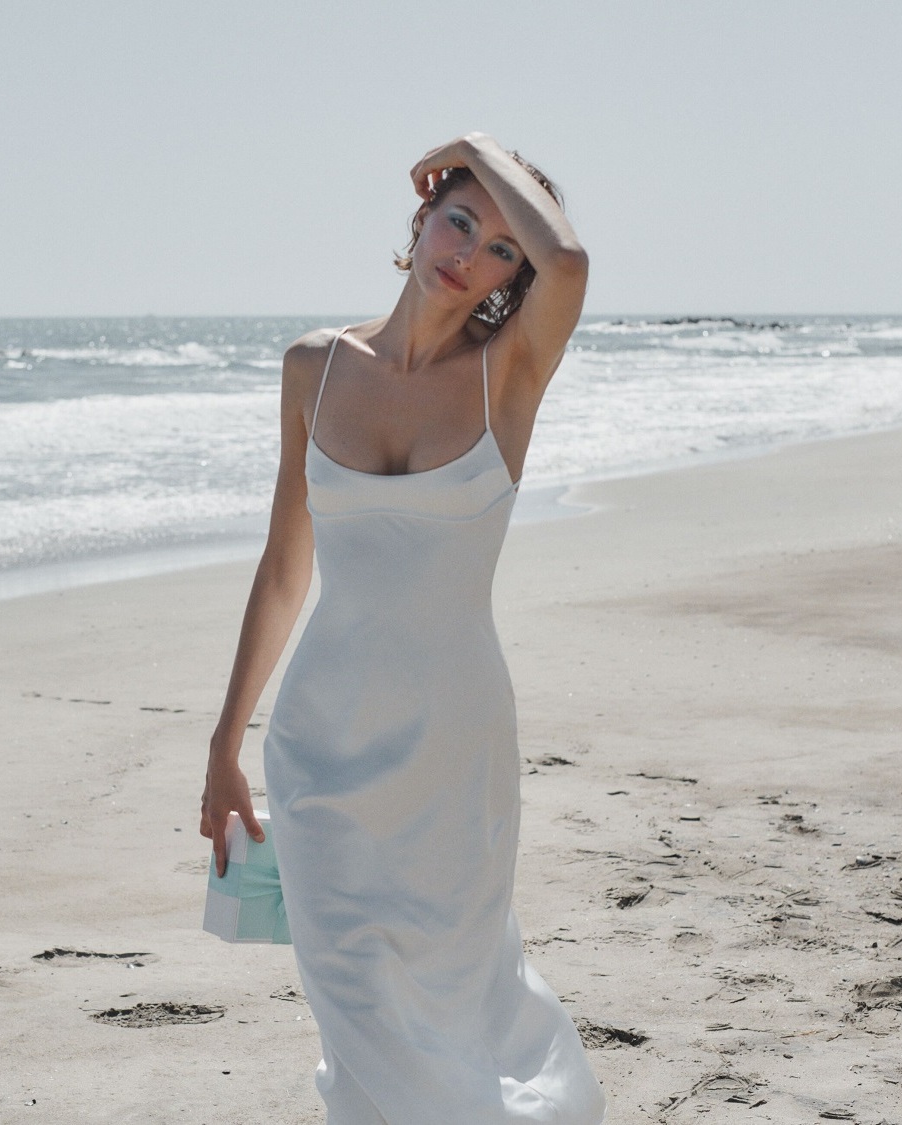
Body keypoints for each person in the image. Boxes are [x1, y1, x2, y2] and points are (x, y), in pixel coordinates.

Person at [201, 132, 605, 1123]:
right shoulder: (314, 368)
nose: (468, 249)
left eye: (500, 246)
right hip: (318, 750)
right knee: (357, 1011)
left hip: (454, 755)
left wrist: (472, 144)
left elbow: (575, 262)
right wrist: (226, 742)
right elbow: (286, 566)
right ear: (422, 216)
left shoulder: (506, 376)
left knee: (461, 996)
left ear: (515, 276)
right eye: (458, 216)